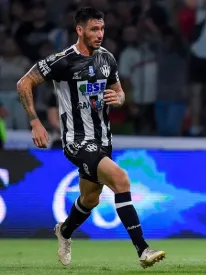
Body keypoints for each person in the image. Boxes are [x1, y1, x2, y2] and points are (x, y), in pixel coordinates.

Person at [16, 7, 165, 268]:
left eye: (102, 29)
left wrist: (118, 98)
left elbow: (119, 93)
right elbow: (23, 83)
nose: (100, 34)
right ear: (80, 30)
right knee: (121, 179)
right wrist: (35, 122)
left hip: (103, 140)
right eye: (94, 29)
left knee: (90, 199)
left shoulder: (107, 59)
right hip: (76, 140)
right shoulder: (62, 60)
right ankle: (143, 249)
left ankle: (64, 231)